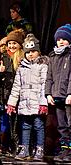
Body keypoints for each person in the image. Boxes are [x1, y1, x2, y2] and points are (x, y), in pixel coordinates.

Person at [7, 33, 48, 161]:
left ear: (38, 52)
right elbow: (16, 87)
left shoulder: (43, 66)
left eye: (33, 51)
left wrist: (43, 103)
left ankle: (39, 148)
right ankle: (25, 148)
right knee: (25, 126)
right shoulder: (21, 68)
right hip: (25, 103)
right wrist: (12, 103)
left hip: (37, 102)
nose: (30, 54)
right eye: (28, 52)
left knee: (38, 126)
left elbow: (44, 86)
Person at [45, 24, 71, 162]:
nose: (61, 41)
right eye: (58, 38)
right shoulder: (53, 56)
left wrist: (70, 94)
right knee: (61, 125)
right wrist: (48, 93)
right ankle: (65, 150)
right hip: (57, 96)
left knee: (70, 124)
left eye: (64, 39)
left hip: (68, 96)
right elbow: (49, 77)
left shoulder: (70, 55)